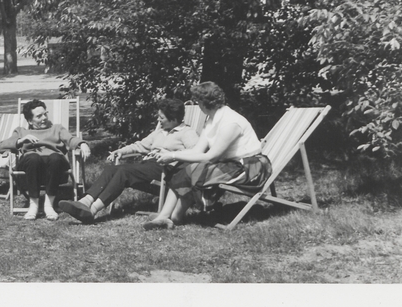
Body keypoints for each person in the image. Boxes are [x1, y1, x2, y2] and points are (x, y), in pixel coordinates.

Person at [145, 81, 270, 230]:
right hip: (230, 163)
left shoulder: (231, 123)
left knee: (194, 171)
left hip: (248, 168)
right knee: (184, 166)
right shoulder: (211, 119)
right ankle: (164, 216)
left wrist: (173, 156)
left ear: (203, 103)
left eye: (197, 101)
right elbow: (198, 150)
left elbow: (211, 157)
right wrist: (171, 154)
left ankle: (175, 216)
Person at [57, 98, 198, 224]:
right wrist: (121, 151)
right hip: (148, 166)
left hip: (165, 169)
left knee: (124, 171)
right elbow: (139, 145)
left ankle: (92, 210)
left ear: (173, 118)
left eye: (161, 117)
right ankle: (84, 201)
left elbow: (196, 152)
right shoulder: (160, 131)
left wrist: (171, 155)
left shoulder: (187, 133)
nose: (158, 120)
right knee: (111, 169)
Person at [0, 99, 91, 221]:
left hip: (56, 167)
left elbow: (70, 139)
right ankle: (34, 205)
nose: (44, 118)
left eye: (45, 114)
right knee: (33, 158)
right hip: (31, 168)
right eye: (39, 116)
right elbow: (1, 146)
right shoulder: (21, 131)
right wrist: (21, 141)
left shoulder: (57, 129)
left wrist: (82, 143)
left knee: (55, 157)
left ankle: (48, 205)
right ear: (30, 121)